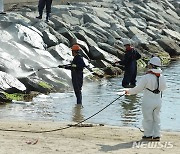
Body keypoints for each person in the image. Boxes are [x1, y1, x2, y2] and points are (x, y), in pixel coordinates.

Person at [125, 57, 167, 141]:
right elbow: (164, 88)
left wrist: (128, 91)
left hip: (148, 101)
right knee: (157, 118)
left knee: (148, 118)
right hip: (158, 101)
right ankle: (157, 135)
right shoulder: (162, 76)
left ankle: (148, 134)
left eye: (149, 64)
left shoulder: (146, 77)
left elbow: (138, 89)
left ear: (151, 65)